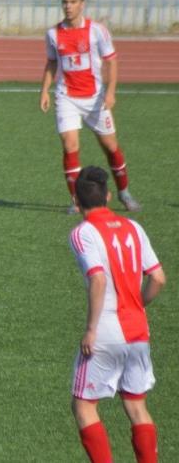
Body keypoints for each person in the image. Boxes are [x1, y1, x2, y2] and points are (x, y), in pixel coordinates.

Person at [68, 166, 165, 462]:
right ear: (109, 196)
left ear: (76, 200)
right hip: (138, 331)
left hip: (107, 332)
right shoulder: (134, 228)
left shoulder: (83, 233)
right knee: (136, 407)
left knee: (84, 406)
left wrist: (91, 329)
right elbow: (158, 278)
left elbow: (98, 279)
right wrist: (138, 305)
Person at [40, 0, 141, 215]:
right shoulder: (53, 34)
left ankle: (124, 192)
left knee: (111, 147)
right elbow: (52, 62)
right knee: (70, 146)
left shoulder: (97, 31)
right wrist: (44, 90)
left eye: (73, 2)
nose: (68, 6)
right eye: (65, 2)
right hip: (66, 97)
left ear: (82, 4)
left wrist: (111, 92)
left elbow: (111, 61)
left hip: (95, 99)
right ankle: (76, 200)